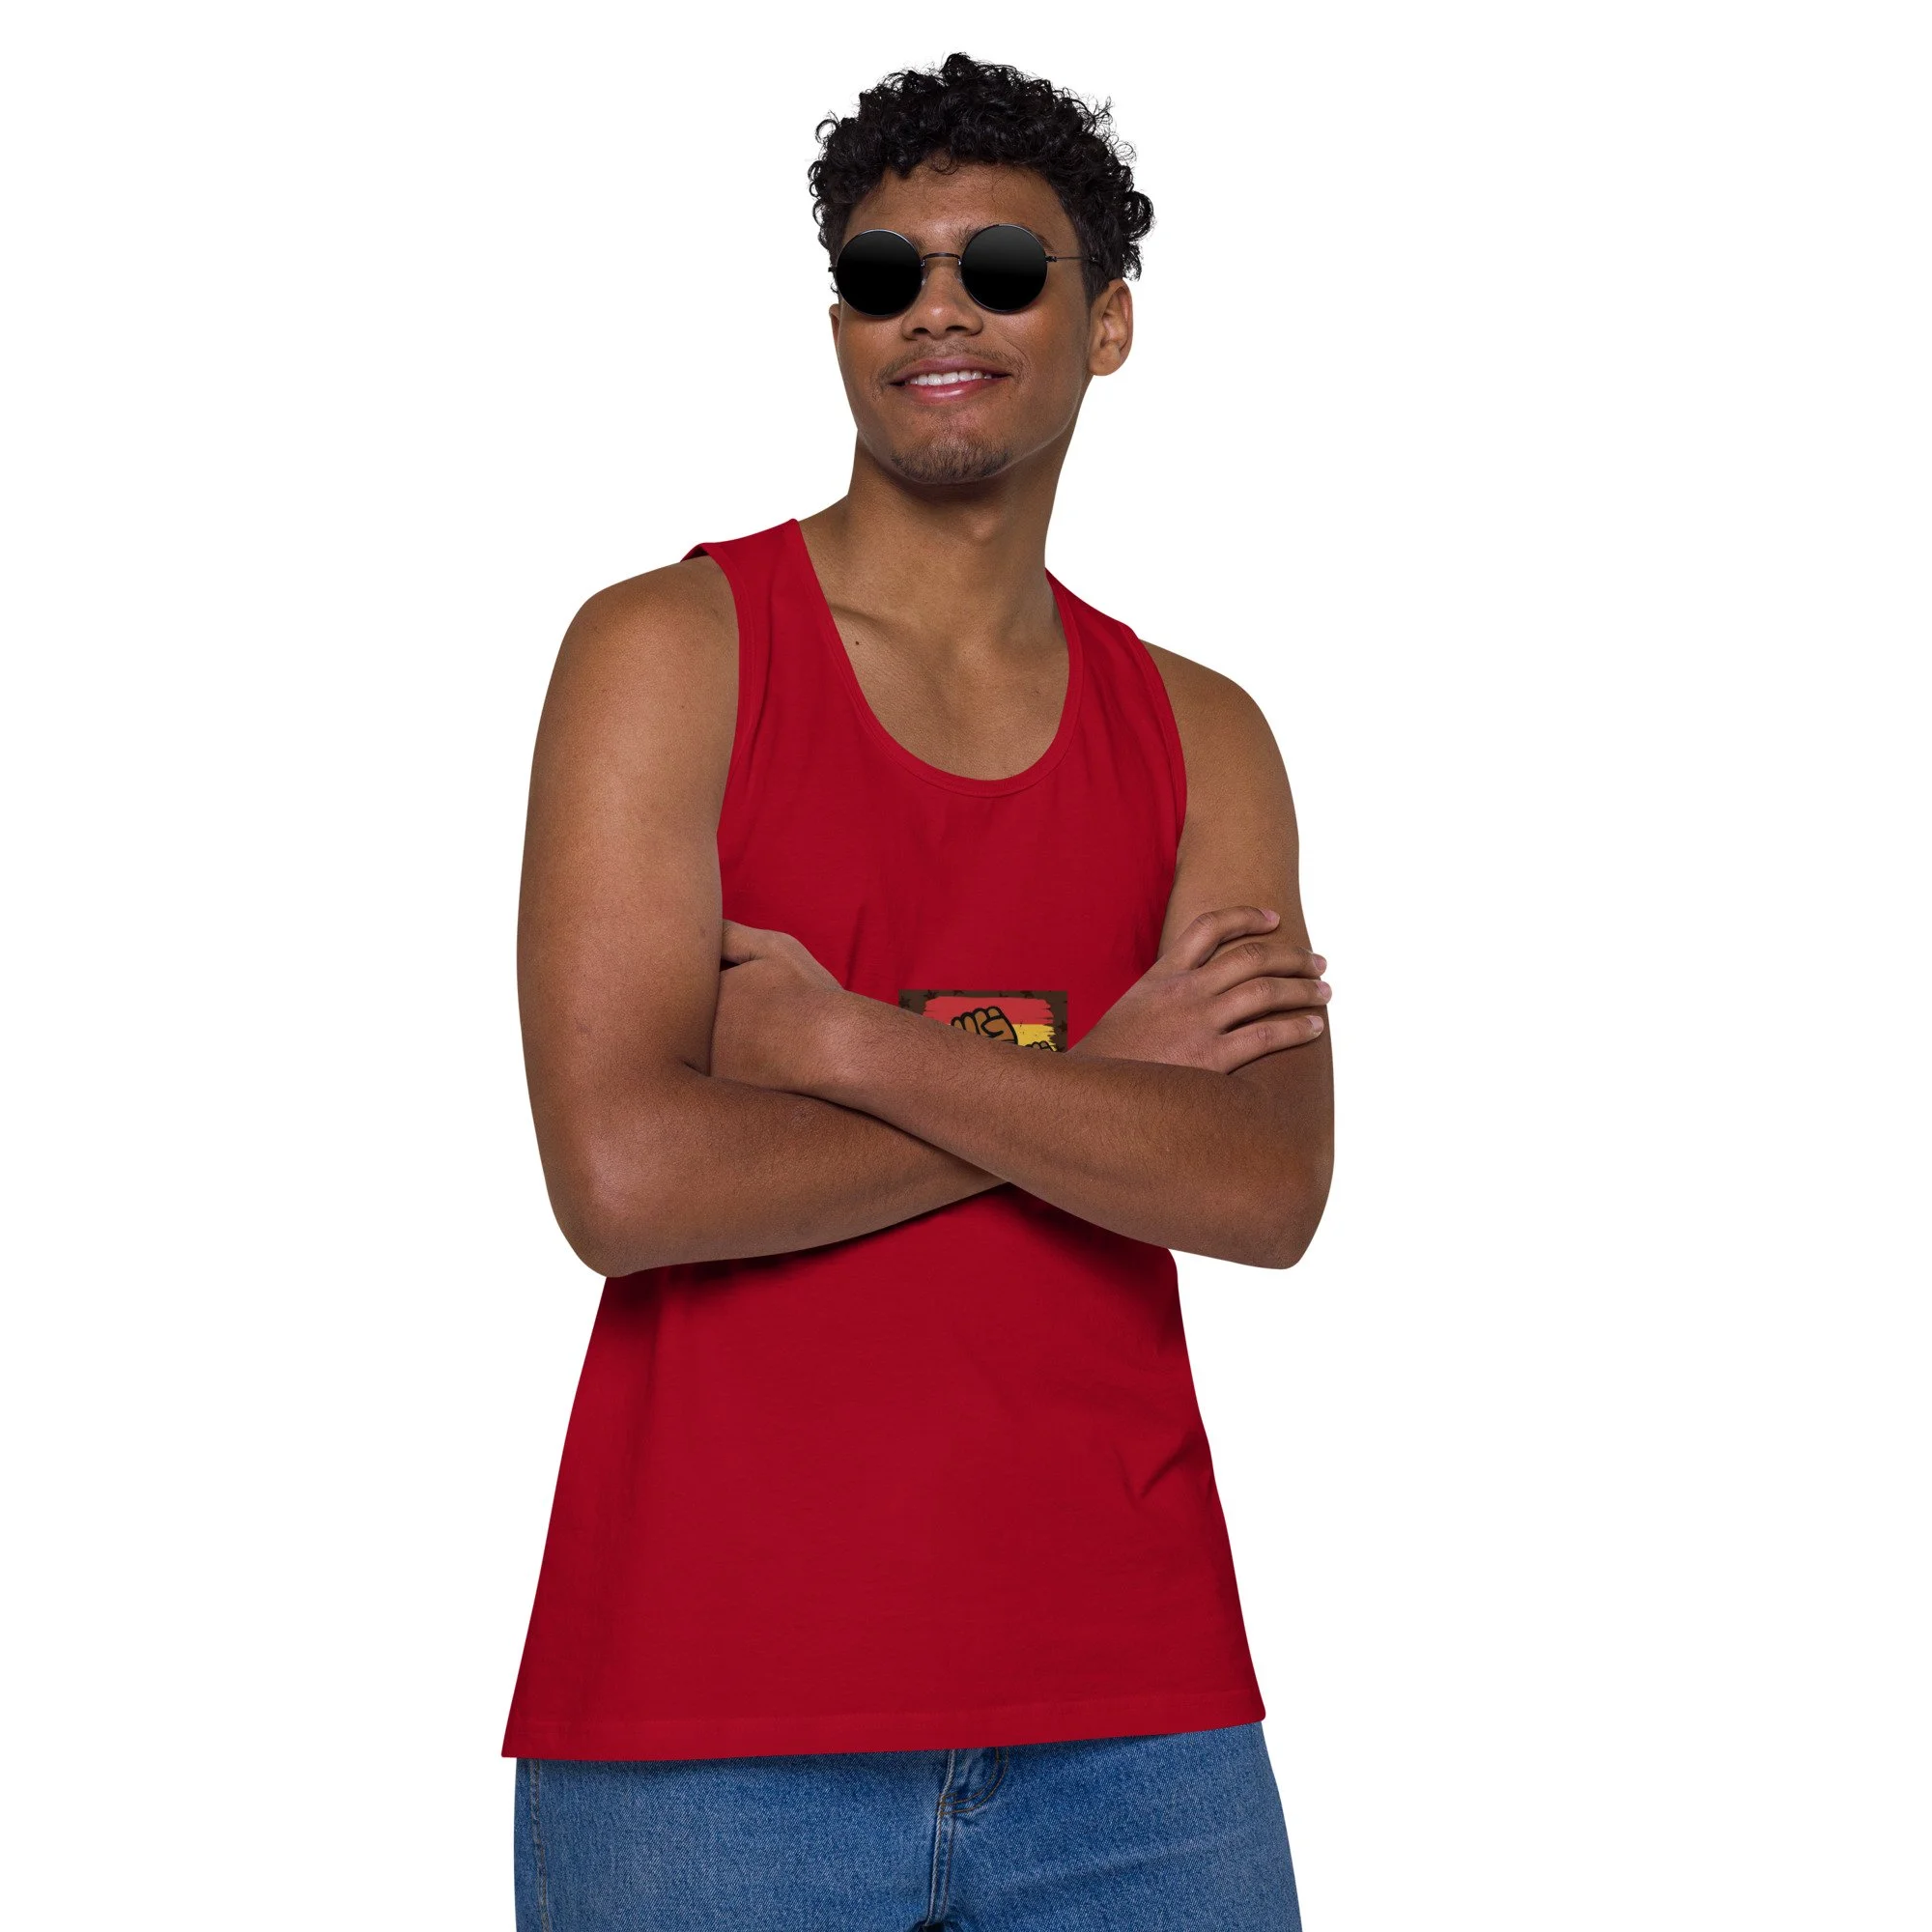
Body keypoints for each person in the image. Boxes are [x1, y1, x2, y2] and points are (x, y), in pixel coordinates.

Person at [502, 51, 1334, 1932]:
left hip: (1138, 1722)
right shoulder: (670, 651)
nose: (935, 309)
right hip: (709, 1719)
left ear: (1107, 322)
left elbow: (1263, 1185)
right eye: (883, 275)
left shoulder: (1202, 732)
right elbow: (625, 1180)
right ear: (840, 328)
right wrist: (1091, 1079)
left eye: (1000, 268)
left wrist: (849, 1045)